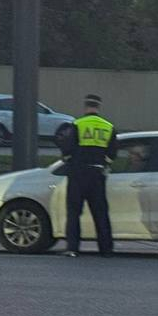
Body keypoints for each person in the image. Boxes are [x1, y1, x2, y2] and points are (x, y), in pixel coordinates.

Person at [56, 93, 118, 257]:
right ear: (98, 107)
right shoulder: (108, 126)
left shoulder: (77, 124)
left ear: (85, 106)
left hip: (78, 173)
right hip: (97, 173)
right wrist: (104, 163)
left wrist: (70, 160)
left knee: (74, 211)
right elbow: (112, 153)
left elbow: (68, 149)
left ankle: (73, 248)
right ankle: (106, 249)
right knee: (100, 212)